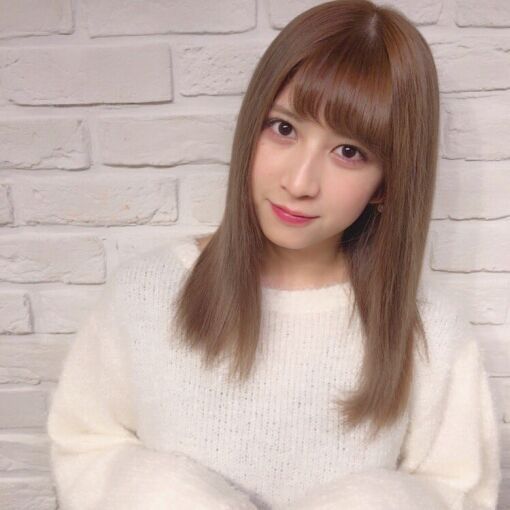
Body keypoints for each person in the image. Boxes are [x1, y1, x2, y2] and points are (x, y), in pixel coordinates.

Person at [46, 0, 502, 508]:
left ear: (386, 183)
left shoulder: (431, 332)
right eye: (284, 128)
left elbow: (458, 490)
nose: (300, 182)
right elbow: (85, 446)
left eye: (349, 152)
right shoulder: (146, 296)